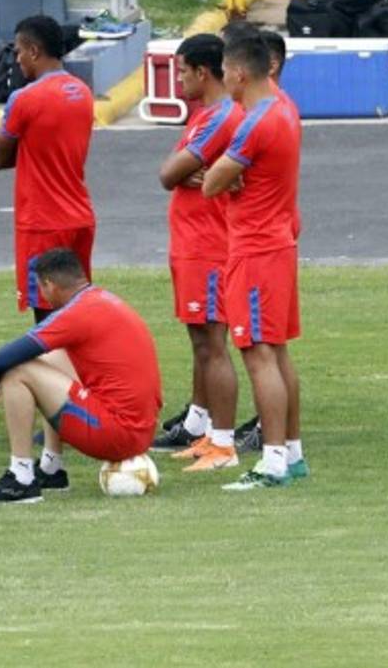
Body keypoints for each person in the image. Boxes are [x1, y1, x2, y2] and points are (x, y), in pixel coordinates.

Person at [0, 248, 162, 505]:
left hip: (118, 435)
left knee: (17, 371)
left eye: (41, 288)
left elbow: (2, 359)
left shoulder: (76, 313)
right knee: (51, 358)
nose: (43, 296)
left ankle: (20, 480)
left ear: (49, 284)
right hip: (141, 429)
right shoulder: (101, 298)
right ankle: (51, 469)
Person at [203, 35, 306, 491]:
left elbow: (210, 183)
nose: (223, 79)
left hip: (255, 250)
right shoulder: (285, 108)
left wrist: (226, 177)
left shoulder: (254, 124)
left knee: (258, 355)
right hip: (278, 243)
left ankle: (273, 460)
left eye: (224, 71)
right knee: (278, 351)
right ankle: (292, 453)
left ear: (240, 73)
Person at [151, 34, 243, 471]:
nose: (179, 80)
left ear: (202, 72)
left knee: (211, 343)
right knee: (201, 342)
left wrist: (186, 171)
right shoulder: (207, 115)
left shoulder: (218, 118)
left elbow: (170, 173)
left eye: (182, 71)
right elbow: (178, 172)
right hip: (195, 242)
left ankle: (222, 443)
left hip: (207, 244)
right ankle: (204, 429)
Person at [0, 15, 95, 324]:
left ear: (34, 51)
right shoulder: (82, 92)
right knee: (76, 311)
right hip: (79, 216)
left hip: (42, 222)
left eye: (19, 51)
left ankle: (56, 374)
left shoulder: (24, 99)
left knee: (48, 322)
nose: (17, 59)